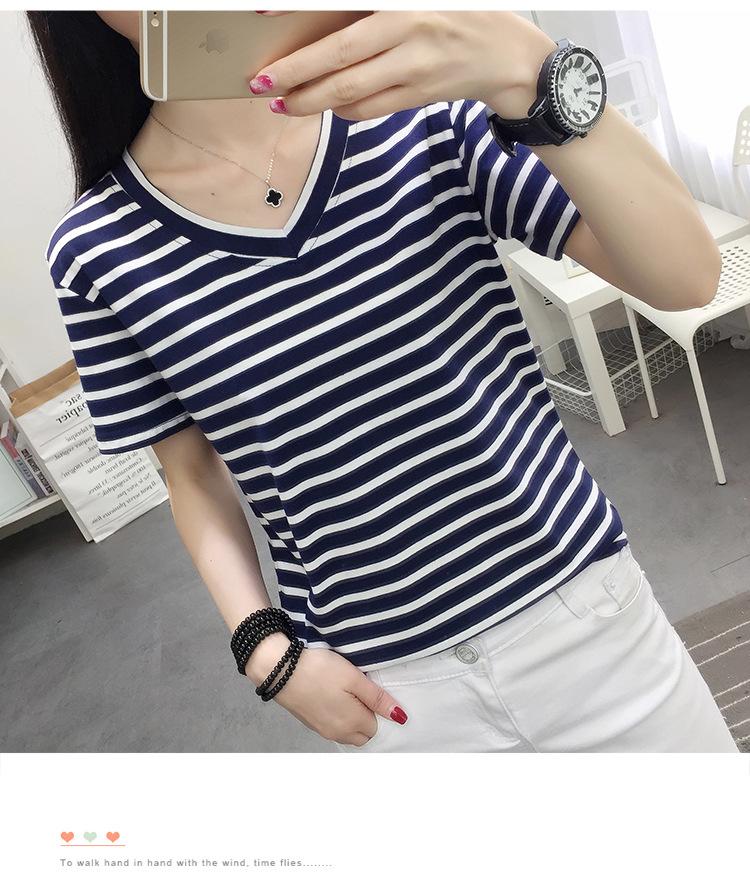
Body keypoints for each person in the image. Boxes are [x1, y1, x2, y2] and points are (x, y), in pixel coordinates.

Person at [31, 10, 738, 752]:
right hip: (389, 690)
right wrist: (262, 647)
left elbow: (685, 277)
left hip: (583, 615)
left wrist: (530, 67)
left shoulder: (421, 115)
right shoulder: (96, 249)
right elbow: (191, 476)